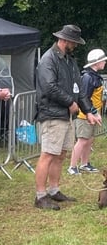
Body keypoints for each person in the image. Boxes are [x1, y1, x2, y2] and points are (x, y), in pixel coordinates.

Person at [34, 25, 102, 210]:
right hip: (51, 113)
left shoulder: (69, 61)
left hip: (65, 115)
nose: (76, 46)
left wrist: (89, 111)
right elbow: (49, 86)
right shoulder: (49, 59)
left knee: (61, 154)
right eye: (74, 42)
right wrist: (69, 103)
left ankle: (54, 190)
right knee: (48, 154)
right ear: (65, 40)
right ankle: (40, 196)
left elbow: (78, 90)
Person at [67, 48, 107, 175]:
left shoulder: (95, 77)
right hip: (84, 115)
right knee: (82, 140)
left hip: (93, 114)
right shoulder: (88, 78)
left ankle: (84, 163)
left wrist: (97, 113)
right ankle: (72, 166)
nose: (105, 62)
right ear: (96, 63)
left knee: (89, 140)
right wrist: (94, 112)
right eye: (103, 60)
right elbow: (84, 97)